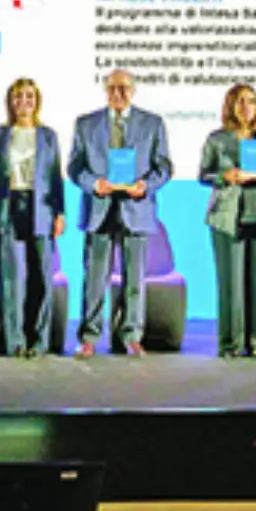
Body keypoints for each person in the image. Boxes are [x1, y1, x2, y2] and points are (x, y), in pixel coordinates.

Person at [68, 69, 172, 359]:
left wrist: (146, 186)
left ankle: (132, 336)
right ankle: (89, 337)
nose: (118, 93)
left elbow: (164, 167)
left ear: (133, 90)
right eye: (112, 87)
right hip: (99, 209)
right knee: (94, 279)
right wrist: (93, 184)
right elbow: (75, 167)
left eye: (124, 88)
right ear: (105, 90)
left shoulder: (152, 123)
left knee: (134, 279)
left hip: (136, 208)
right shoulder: (86, 124)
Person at [0, 78, 65, 359]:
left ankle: (38, 341)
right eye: (18, 96)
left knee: (41, 277)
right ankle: (14, 341)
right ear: (10, 101)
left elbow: (55, 176)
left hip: (41, 208)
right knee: (11, 278)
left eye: (29, 96)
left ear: (37, 101)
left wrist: (60, 212)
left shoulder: (48, 136)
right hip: (8, 207)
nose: (23, 102)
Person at [198, 84, 256, 359]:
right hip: (227, 215)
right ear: (230, 105)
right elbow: (204, 175)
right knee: (230, 282)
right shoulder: (217, 140)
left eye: (252, 101)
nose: (247, 106)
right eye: (241, 101)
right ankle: (231, 343)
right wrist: (226, 177)